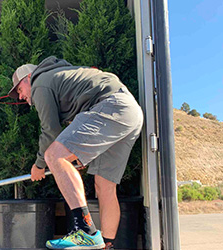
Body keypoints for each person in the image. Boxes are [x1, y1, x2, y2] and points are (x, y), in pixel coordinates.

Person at [8, 56, 143, 250]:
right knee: (104, 185)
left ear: (29, 78)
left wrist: (39, 165)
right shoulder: (59, 78)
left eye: (19, 89)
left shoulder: (40, 83)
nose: (21, 97)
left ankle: (85, 230)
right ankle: (107, 245)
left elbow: (51, 132)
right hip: (130, 113)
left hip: (110, 105)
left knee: (54, 155)